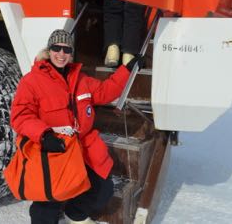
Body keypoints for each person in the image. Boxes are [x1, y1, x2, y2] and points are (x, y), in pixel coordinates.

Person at [10, 29, 143, 224]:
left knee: (102, 190)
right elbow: (20, 116)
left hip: (82, 147)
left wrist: (128, 69)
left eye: (66, 50)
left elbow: (106, 91)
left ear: (71, 53)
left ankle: (75, 215)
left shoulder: (81, 79)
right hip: (53, 148)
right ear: (49, 51)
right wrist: (44, 136)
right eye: (56, 48)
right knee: (48, 202)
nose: (61, 54)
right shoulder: (32, 81)